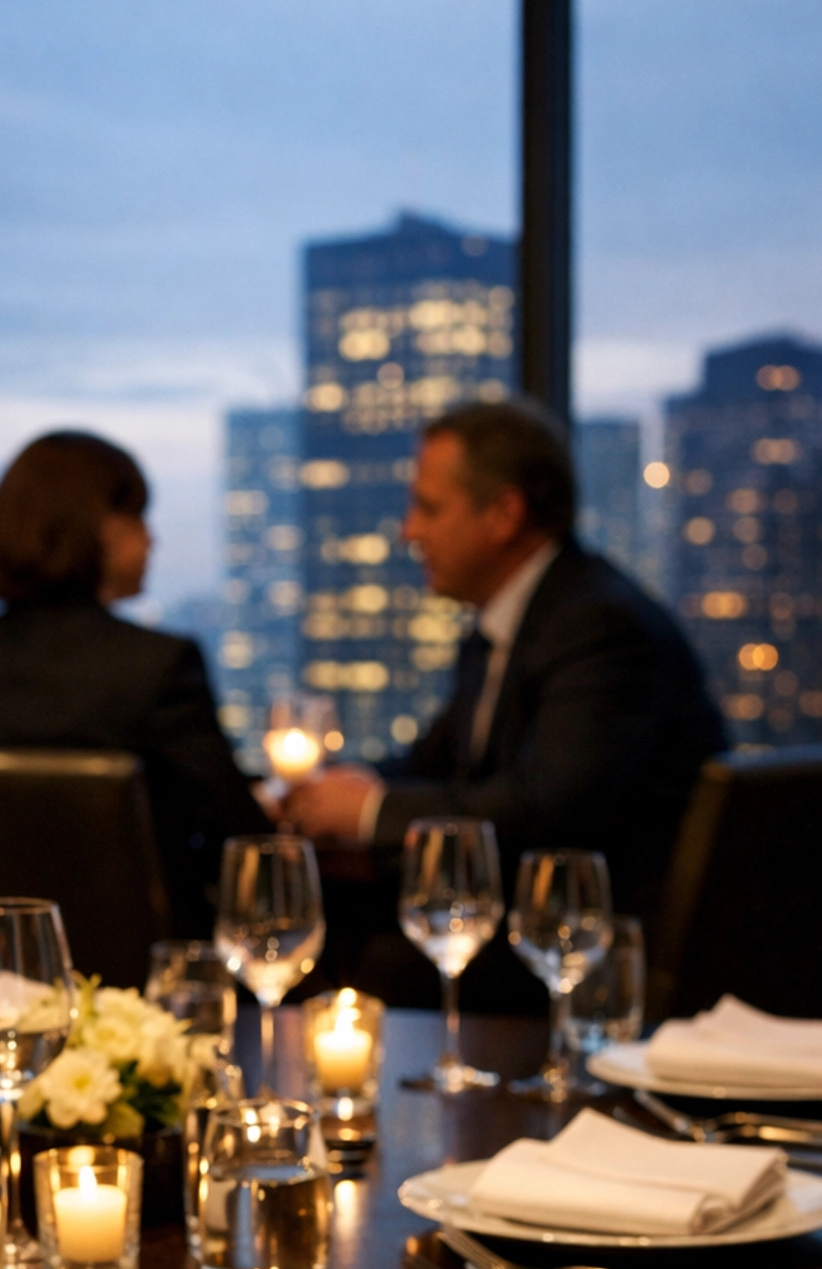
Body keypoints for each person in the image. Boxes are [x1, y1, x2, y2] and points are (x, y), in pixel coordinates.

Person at [283, 399, 725, 1004]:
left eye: (428, 507)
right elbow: (434, 764)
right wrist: (321, 791)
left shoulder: (599, 625)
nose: (408, 530)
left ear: (504, 515)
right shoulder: (504, 625)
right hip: (520, 923)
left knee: (360, 958)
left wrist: (367, 812)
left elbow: (547, 810)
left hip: (596, 951)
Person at [0, 431, 271, 937]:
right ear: (98, 527)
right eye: (138, 519)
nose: (152, 539)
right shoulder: (158, 666)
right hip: (140, 988)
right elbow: (241, 840)